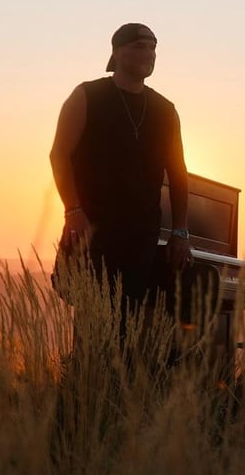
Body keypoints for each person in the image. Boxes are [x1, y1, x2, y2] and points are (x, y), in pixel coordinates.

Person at [49, 22, 193, 336]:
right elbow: (58, 155)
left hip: (141, 234)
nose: (150, 53)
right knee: (93, 319)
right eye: (140, 46)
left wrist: (180, 231)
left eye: (154, 47)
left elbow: (179, 174)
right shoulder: (87, 95)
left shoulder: (165, 110)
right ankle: (85, 382)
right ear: (117, 52)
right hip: (92, 228)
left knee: (128, 322)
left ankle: (118, 383)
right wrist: (73, 211)